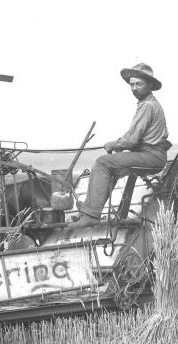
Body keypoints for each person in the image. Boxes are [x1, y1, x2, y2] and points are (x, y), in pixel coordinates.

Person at [70, 63, 171, 227]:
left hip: (150, 156)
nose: (134, 88)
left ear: (150, 85)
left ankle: (90, 215)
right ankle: (97, 212)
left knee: (102, 163)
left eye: (139, 84)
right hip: (153, 155)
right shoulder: (152, 104)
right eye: (132, 84)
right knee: (114, 167)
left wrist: (114, 144)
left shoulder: (147, 106)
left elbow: (131, 140)